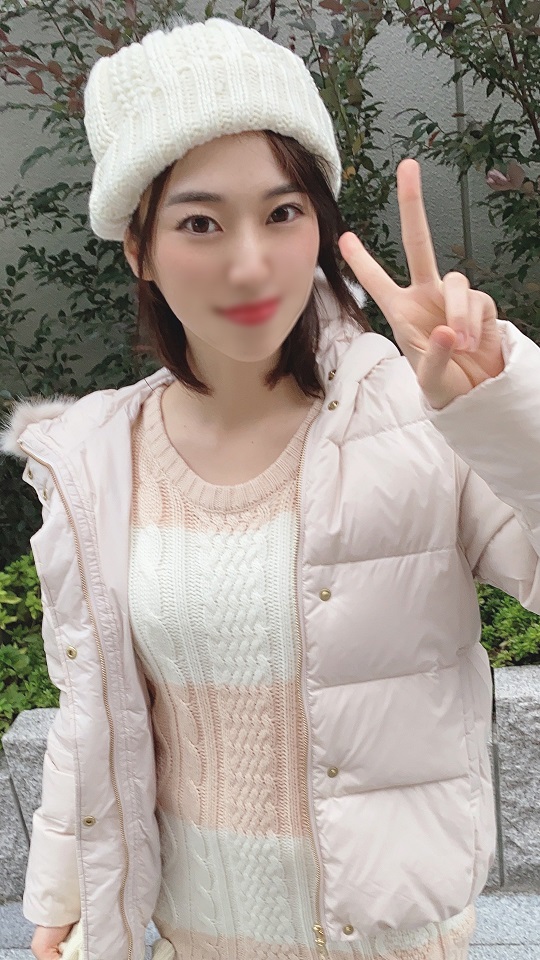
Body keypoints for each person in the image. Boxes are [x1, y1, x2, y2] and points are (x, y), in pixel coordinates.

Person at [2, 14, 540, 960]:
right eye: (199, 222)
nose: (249, 262)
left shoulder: (420, 413)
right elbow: (94, 710)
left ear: (321, 225)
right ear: (138, 247)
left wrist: (500, 404)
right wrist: (61, 898)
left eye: (283, 213)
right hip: (187, 939)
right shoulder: (99, 457)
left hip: (390, 946)